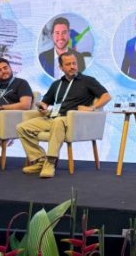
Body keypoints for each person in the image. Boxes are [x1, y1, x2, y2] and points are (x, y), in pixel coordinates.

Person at [17, 51, 110, 179]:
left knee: (58, 121)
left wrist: (92, 108)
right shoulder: (56, 84)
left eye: (74, 63)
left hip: (74, 120)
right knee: (22, 127)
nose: (72, 66)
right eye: (68, 64)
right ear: (61, 67)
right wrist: (42, 107)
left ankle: (50, 162)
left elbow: (106, 96)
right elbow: (46, 102)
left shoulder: (88, 81)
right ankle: (40, 160)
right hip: (54, 117)